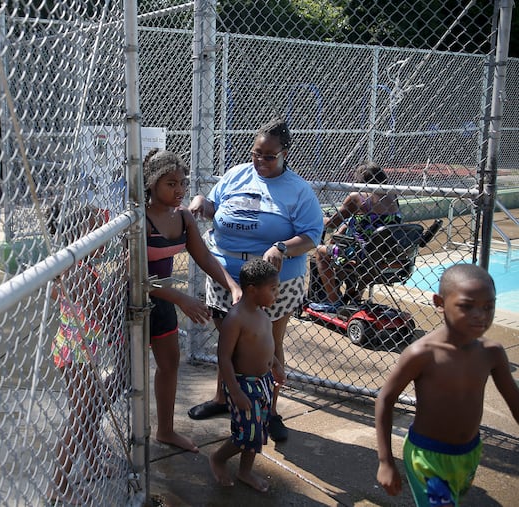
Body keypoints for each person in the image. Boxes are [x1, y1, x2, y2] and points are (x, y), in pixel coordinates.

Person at [186, 118, 324, 443]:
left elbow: (312, 236)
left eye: (269, 156)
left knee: (268, 345)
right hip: (225, 275)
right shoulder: (236, 175)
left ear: (285, 154)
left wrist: (281, 248)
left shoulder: (298, 190)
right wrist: (201, 204)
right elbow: (214, 206)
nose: (261, 162)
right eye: (256, 154)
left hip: (271, 282)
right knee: (229, 343)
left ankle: (270, 410)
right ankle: (223, 400)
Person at [375, 264, 519, 506]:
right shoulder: (422, 353)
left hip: (470, 453)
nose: (481, 315)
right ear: (439, 302)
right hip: (427, 457)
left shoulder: (492, 353)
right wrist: (385, 461)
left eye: (488, 307)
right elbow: (385, 399)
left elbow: (515, 401)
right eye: (467, 306)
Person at [144, 148, 242, 452]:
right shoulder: (138, 218)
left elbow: (204, 257)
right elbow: (134, 277)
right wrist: (182, 299)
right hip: (129, 301)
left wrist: (233, 286)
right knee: (122, 377)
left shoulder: (184, 217)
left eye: (182, 183)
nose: (179, 190)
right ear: (151, 183)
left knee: (170, 363)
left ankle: (166, 431)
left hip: (161, 300)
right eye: (170, 183)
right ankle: (90, 429)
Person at [47, 203, 112, 504]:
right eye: (100, 230)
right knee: (79, 415)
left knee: (85, 412)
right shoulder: (80, 271)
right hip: (76, 352)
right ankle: (58, 485)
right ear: (82, 235)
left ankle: (94, 463)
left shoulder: (74, 266)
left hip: (78, 349)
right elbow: (97, 313)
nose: (106, 237)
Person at [209, 259, 286, 493]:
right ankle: (218, 458)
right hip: (243, 385)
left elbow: (266, 345)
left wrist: (275, 365)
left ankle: (245, 472)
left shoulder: (262, 314)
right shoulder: (235, 319)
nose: (277, 294)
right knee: (247, 432)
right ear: (252, 289)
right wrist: (234, 391)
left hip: (262, 382)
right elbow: (224, 358)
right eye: (272, 289)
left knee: (258, 430)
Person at [309, 162, 402, 312]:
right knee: (350, 240)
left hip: (361, 254)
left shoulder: (357, 197)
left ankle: (333, 301)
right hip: (386, 253)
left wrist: (319, 218)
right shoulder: (392, 195)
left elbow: (332, 223)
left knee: (320, 252)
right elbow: (365, 221)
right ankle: (356, 294)